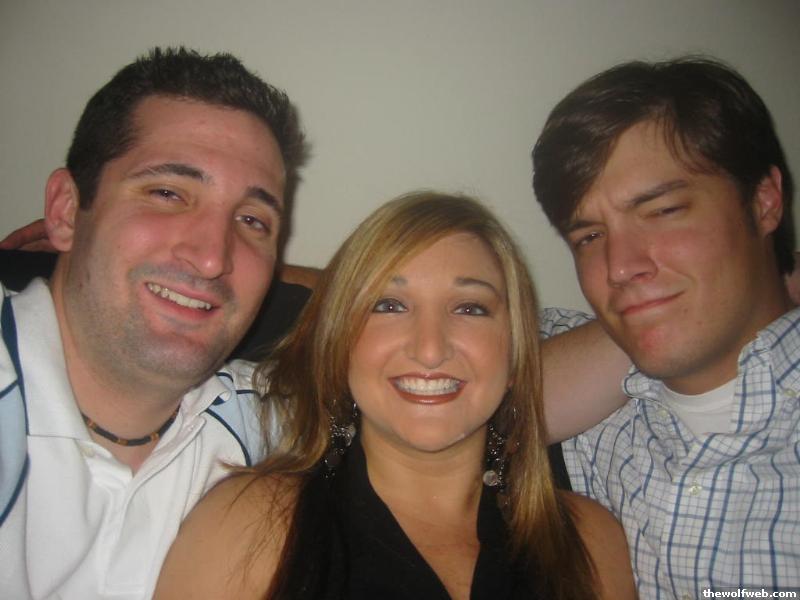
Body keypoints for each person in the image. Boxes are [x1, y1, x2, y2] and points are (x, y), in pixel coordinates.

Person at [154, 192, 635, 600]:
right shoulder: (251, 527)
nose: (430, 348)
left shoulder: (591, 543)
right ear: (340, 344)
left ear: (515, 354)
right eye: (388, 305)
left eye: (469, 308)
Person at [0, 46, 307, 599]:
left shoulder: (271, 426)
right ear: (67, 211)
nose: (212, 257)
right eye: (168, 194)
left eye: (251, 220)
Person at [533, 57, 799, 596]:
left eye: (663, 211)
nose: (619, 266)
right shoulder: (596, 413)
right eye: (589, 237)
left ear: (764, 201)